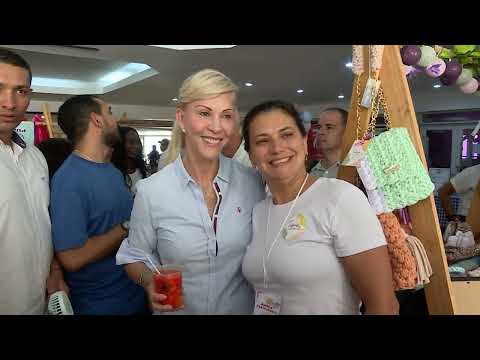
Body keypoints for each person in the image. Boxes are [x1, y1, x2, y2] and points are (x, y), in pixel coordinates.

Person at [116, 69, 265, 314]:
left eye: (226, 115)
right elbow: (134, 256)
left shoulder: (252, 183)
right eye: (204, 113)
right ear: (182, 118)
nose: (217, 127)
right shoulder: (152, 191)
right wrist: (148, 281)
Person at [240, 100, 399, 315]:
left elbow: (385, 306)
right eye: (262, 141)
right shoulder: (259, 211)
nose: (277, 148)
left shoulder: (340, 198)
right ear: (251, 156)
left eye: (287, 135)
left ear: (305, 142)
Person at [50, 95, 148, 315]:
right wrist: (125, 227)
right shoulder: (69, 180)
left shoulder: (112, 171)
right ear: (97, 120)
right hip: (102, 304)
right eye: (110, 113)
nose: (115, 120)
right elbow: (72, 258)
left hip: (135, 294)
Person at [0, 48, 68, 314]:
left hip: (39, 304)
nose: (9, 102)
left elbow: (41, 222)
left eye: (21, 91)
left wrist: (53, 269)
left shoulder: (36, 156)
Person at [309, 107, 348, 178]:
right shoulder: (311, 172)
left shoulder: (355, 172)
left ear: (346, 131)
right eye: (319, 127)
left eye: (329, 127)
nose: (320, 132)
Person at [111, 126, 148, 196]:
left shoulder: (142, 169)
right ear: (121, 144)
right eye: (131, 142)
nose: (137, 146)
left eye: (138, 142)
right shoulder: (113, 172)